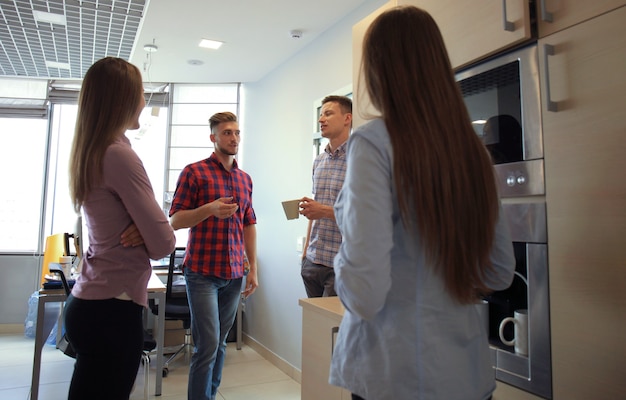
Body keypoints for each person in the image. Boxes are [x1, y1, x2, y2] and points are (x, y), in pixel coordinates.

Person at [328, 6, 516, 400]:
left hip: (395, 375)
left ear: (379, 71)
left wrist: (342, 260)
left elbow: (364, 292)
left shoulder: (374, 141)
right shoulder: (473, 151)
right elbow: (499, 273)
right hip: (468, 377)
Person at [65, 57, 176, 399]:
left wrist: (146, 229)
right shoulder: (119, 156)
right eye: (141, 92)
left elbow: (152, 234)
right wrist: (150, 230)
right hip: (113, 310)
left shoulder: (91, 151)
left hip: (90, 304)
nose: (144, 100)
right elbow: (164, 243)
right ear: (122, 98)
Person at [169, 111, 258, 400]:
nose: (233, 138)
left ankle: (211, 393)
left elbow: (249, 224)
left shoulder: (245, 180)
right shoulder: (194, 172)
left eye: (236, 132)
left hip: (234, 274)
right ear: (213, 137)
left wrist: (252, 268)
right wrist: (209, 209)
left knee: (220, 343)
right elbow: (176, 220)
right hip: (202, 272)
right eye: (227, 133)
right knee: (206, 345)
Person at [300, 95, 352, 297]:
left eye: (328, 114)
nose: (321, 120)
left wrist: (322, 211)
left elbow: (366, 216)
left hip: (342, 265)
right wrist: (305, 254)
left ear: (347, 118)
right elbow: (314, 211)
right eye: (321, 115)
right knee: (314, 328)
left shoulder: (361, 160)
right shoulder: (319, 161)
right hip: (312, 262)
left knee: (332, 329)